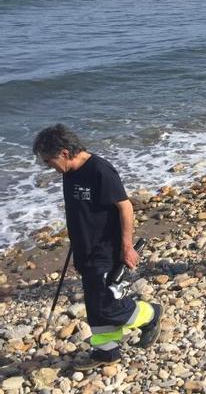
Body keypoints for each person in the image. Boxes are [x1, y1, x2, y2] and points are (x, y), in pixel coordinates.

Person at [32, 124, 162, 370]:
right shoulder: (68, 173)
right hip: (84, 249)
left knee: (109, 305)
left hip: (106, 249)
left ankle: (151, 313)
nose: (49, 167)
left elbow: (125, 207)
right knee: (95, 304)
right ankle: (107, 351)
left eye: (49, 161)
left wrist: (126, 247)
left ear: (64, 152)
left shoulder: (100, 171)